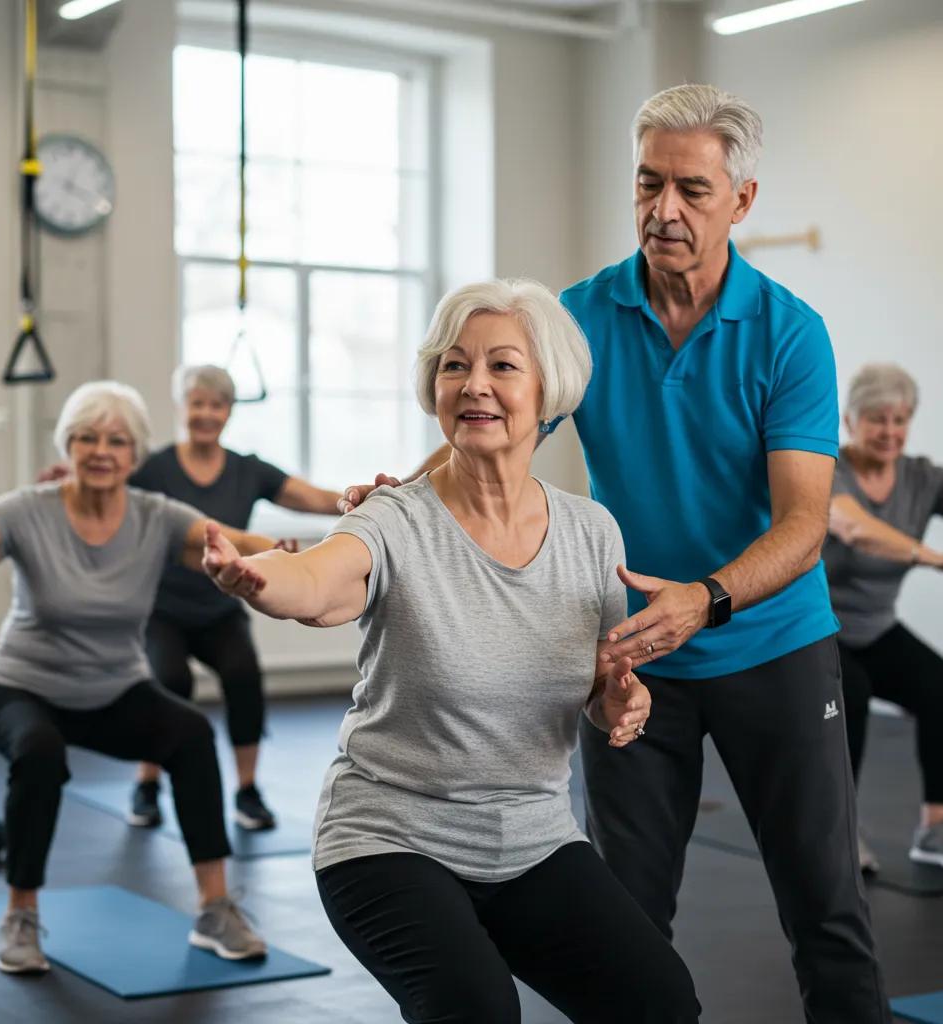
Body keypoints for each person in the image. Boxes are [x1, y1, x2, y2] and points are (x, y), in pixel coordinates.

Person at [342, 85, 891, 1023]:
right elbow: (490, 430)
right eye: (647, 184)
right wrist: (401, 499)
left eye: (692, 190)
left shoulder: (789, 333)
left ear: (742, 201)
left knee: (827, 911)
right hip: (631, 658)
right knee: (626, 929)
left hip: (774, 648)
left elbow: (804, 525)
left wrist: (705, 598)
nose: (663, 209)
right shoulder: (581, 315)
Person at [203, 279, 701, 1024]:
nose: (474, 384)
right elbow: (318, 581)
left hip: (531, 840)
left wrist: (621, 701)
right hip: (388, 838)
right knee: (476, 1009)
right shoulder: (394, 518)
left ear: (548, 390)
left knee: (661, 1002)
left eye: (502, 366)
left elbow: (599, 689)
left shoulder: (591, 531)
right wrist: (260, 578)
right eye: (454, 365)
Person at [0, 381, 270, 974]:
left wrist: (297, 553)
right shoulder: (26, 510)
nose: (100, 451)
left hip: (113, 689)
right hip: (21, 687)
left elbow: (233, 542)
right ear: (67, 445)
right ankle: (20, 915)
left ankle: (215, 908)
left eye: (116, 441)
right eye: (86, 437)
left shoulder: (156, 517)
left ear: (135, 453)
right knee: (39, 752)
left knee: (192, 735)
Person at [127, 365, 341, 832]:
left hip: (220, 608)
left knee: (243, 676)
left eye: (216, 405)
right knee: (168, 681)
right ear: (182, 408)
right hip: (163, 609)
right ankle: (147, 782)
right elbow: (110, 497)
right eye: (197, 403)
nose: (206, 413)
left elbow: (312, 498)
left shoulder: (247, 469)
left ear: (228, 412)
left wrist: (369, 498)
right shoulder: (156, 468)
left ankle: (247, 790)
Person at [825, 363, 943, 874]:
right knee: (853, 696)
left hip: (877, 627)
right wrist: (932, 557)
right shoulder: (828, 471)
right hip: (820, 629)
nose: (889, 431)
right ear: (850, 421)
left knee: (941, 687)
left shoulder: (922, 478)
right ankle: (840, 833)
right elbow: (856, 528)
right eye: (876, 419)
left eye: (899, 419)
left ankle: (936, 828)